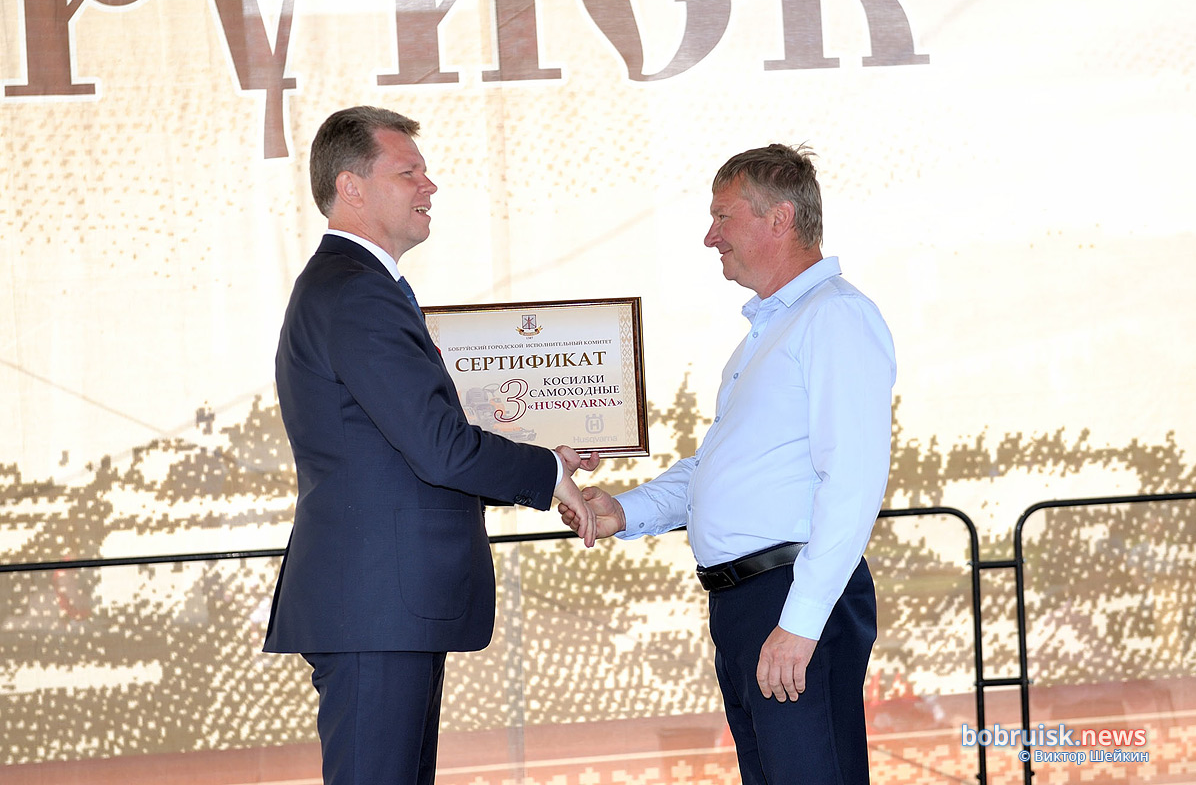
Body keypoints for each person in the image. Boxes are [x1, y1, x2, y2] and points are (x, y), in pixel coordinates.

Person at [263, 105, 597, 785]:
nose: (430, 186)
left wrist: (544, 461)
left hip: (382, 607)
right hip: (375, 608)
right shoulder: (356, 292)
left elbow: (404, 448)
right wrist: (544, 473)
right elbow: (439, 447)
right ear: (351, 188)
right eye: (408, 172)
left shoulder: (360, 287)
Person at [561, 144, 895, 784]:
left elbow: (853, 481)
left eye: (723, 216)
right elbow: (717, 470)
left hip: (790, 596)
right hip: (750, 605)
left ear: (780, 219)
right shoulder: (773, 332)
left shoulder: (834, 316)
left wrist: (800, 623)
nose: (710, 236)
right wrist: (622, 510)